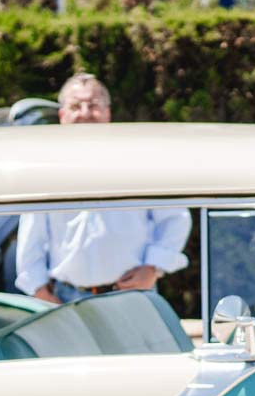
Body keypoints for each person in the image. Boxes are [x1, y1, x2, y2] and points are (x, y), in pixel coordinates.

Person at [14, 73, 191, 304]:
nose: (85, 113)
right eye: (76, 106)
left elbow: (175, 218)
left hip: (131, 295)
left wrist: (153, 268)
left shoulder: (138, 163)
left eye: (94, 105)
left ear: (108, 113)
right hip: (66, 298)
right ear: (62, 115)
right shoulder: (45, 170)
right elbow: (31, 238)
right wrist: (40, 292)